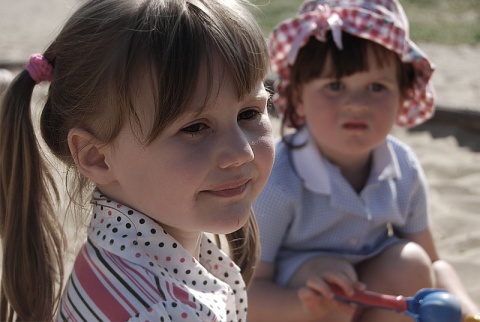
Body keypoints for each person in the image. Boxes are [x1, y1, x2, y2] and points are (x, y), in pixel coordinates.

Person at [0, 0, 275, 320]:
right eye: (195, 128)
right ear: (97, 157)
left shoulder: (117, 257)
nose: (242, 152)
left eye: (249, 113)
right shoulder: (164, 311)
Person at [248, 0, 480, 321]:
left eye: (376, 86)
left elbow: (432, 262)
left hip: (371, 298)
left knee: (410, 261)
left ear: (403, 94)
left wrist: (466, 310)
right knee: (331, 277)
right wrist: (304, 305)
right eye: (335, 85)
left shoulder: (403, 167)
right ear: (298, 96)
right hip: (295, 305)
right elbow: (247, 289)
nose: (356, 104)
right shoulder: (280, 177)